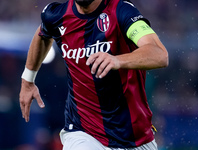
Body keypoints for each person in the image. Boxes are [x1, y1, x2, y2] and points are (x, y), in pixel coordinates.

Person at [19, 0, 168, 149]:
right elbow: (43, 34)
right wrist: (27, 80)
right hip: (84, 132)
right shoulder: (57, 15)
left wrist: (118, 60)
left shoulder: (121, 11)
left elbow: (159, 54)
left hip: (135, 136)